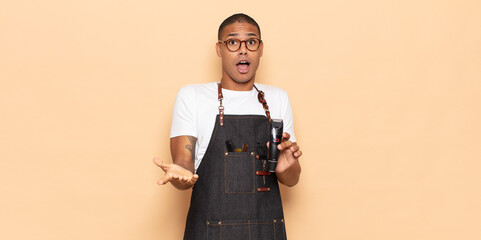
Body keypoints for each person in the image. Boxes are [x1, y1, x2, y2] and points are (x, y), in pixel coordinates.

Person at [154, 13, 302, 240]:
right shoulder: (192, 96)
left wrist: (287, 167)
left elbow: (291, 180)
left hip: (266, 231)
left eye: (251, 42)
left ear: (260, 49)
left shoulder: (278, 99)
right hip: (209, 231)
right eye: (233, 42)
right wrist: (180, 175)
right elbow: (184, 165)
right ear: (219, 49)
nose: (243, 50)